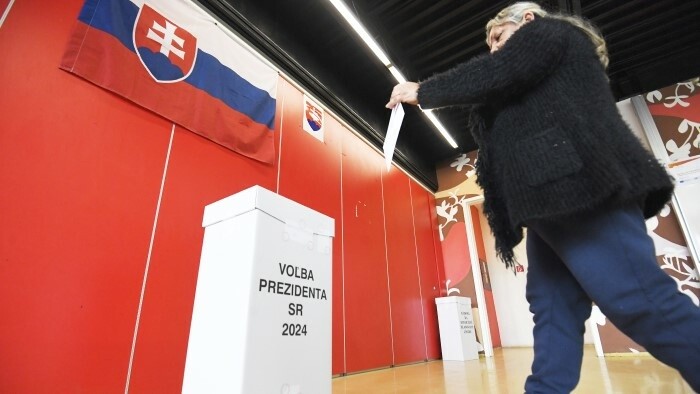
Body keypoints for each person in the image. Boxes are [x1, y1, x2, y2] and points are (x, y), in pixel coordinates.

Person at [386, 2, 700, 393]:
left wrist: (424, 90)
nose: (495, 49)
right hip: (551, 197)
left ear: (528, 20)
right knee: (552, 308)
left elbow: (502, 71)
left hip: (583, 185)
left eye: (498, 37)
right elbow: (504, 83)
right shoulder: (535, 71)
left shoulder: (552, 34)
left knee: (637, 299)